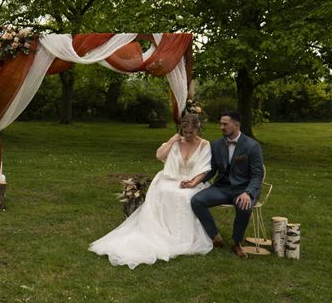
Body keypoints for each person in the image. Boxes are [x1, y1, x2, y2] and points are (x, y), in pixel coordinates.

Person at [89, 113, 213, 268]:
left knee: (185, 196)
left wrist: (192, 182)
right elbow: (159, 155)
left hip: (193, 181)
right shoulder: (176, 141)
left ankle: (181, 236)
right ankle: (162, 231)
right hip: (171, 179)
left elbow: (204, 168)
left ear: (198, 127)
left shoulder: (204, 144)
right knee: (167, 191)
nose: (187, 135)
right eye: (185, 132)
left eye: (191, 132)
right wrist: (172, 140)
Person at [190, 110, 264, 259]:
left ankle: (237, 243)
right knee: (197, 200)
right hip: (222, 188)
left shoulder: (252, 146)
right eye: (220, 124)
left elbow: (257, 175)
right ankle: (214, 236)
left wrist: (248, 193)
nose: (221, 127)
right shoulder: (216, 144)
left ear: (236, 124)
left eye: (225, 124)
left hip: (244, 189)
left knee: (244, 205)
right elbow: (210, 170)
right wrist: (195, 181)